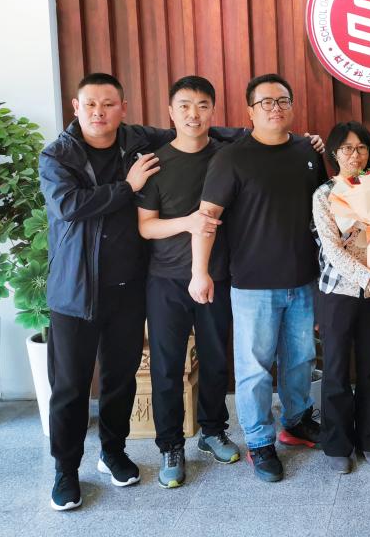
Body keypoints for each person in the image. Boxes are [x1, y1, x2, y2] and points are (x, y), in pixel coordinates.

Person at [193, 73, 327, 484]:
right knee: (254, 369)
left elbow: (324, 210)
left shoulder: (307, 151)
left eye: (282, 100)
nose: (275, 108)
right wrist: (199, 271)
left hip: (302, 279)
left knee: (300, 359)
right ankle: (259, 440)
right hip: (253, 284)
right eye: (266, 102)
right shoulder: (231, 158)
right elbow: (207, 218)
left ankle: (296, 421)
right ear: (250, 111)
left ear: (292, 106)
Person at [39, 73, 163, 511]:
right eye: (90, 104)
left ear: (122, 108)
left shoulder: (137, 140)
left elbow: (194, 131)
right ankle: (65, 471)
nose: (99, 112)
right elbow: (70, 206)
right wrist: (128, 188)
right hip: (74, 293)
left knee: (120, 379)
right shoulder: (57, 155)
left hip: (127, 288)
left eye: (108, 104)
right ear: (76, 107)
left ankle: (113, 452)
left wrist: (259, 134)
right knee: (70, 388)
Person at [137, 76, 240, 489]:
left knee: (216, 359)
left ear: (212, 110)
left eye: (202, 105)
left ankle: (213, 431)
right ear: (170, 112)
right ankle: (170, 445)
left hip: (218, 276)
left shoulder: (228, 157)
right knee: (167, 366)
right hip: (166, 280)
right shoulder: (156, 164)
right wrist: (189, 222)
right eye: (184, 105)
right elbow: (146, 227)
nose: (193, 114)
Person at [312, 121, 370, 474]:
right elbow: (331, 249)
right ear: (334, 153)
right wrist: (367, 276)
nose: (355, 155)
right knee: (335, 369)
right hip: (338, 292)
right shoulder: (324, 194)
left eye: (361, 148)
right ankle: (337, 445)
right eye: (347, 148)